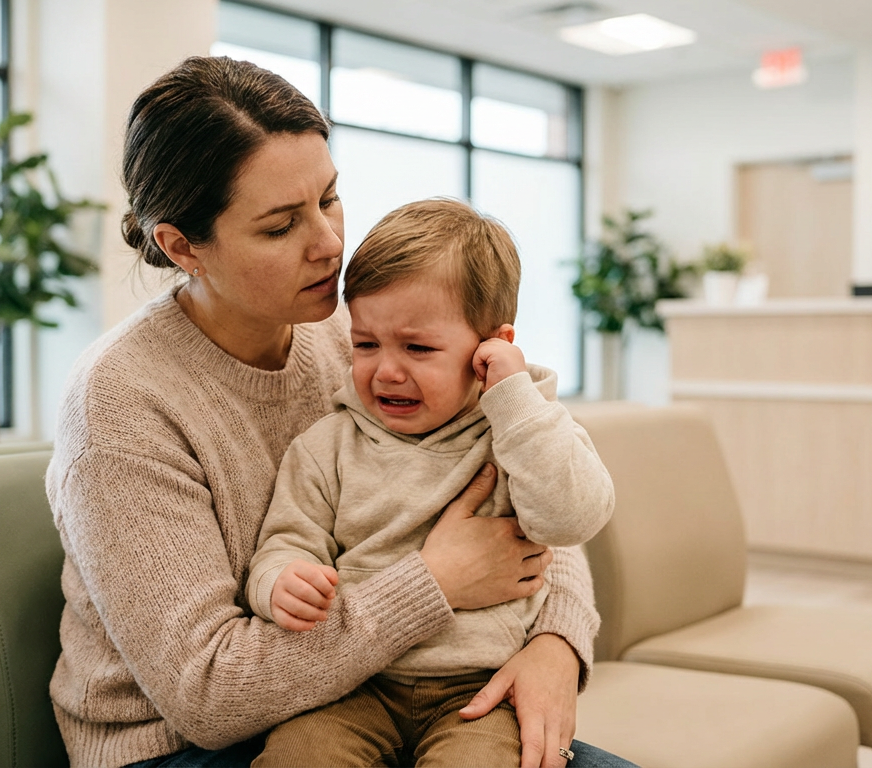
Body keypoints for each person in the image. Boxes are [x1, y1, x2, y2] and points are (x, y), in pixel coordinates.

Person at [46, 57, 635, 768]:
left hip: (385, 685)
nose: (328, 243)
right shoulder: (120, 403)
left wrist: (555, 645)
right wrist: (435, 581)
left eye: (328, 198)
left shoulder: (358, 338)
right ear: (182, 246)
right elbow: (207, 696)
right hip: (189, 742)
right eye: (278, 226)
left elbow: (526, 476)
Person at [246, 199, 615, 767]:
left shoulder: (521, 431)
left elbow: (569, 521)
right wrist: (279, 581)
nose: (386, 370)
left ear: (492, 347)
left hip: (478, 690)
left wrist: (513, 400)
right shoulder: (328, 446)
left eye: (417, 348)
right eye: (365, 344)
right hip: (350, 685)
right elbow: (287, 540)